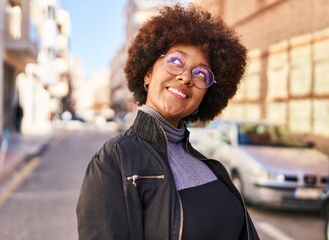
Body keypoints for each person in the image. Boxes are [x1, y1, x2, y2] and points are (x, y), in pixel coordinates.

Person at [76, 4, 260, 240]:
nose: (185, 77)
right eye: (175, 61)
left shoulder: (212, 167)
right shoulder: (114, 161)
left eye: (201, 74)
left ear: (207, 95)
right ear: (148, 73)